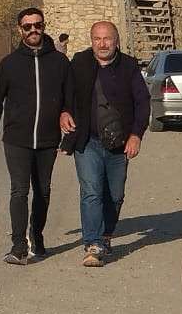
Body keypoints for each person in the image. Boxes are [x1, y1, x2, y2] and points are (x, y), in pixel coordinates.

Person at [0, 7, 70, 264]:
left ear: (44, 26)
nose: (33, 30)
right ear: (20, 30)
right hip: (17, 139)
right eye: (27, 26)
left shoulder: (60, 62)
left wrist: (69, 133)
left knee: (43, 191)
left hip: (48, 139)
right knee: (19, 190)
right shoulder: (9, 64)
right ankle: (18, 246)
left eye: (37, 25)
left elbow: (71, 100)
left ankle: (36, 236)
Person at [59, 21, 150, 267]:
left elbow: (142, 102)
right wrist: (64, 112)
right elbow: (66, 92)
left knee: (115, 195)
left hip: (119, 142)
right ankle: (93, 243)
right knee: (91, 191)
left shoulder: (129, 66)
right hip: (87, 140)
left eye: (107, 38)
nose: (102, 44)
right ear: (91, 41)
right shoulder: (80, 62)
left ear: (116, 41)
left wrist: (136, 135)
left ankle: (106, 235)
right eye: (97, 39)